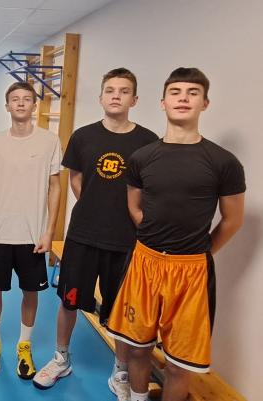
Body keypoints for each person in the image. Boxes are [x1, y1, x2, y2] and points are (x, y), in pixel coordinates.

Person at [106, 67, 245, 401]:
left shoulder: (223, 162)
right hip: (145, 264)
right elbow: (135, 207)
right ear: (163, 102)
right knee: (137, 349)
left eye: (192, 93)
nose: (183, 98)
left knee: (179, 365)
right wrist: (156, 241)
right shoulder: (142, 158)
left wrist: (198, 253)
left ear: (205, 103)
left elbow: (232, 220)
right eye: (176, 92)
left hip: (191, 272)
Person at [33, 68, 158, 400]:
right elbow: (76, 177)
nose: (116, 95)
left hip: (126, 240)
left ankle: (120, 370)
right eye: (110, 90)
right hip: (83, 234)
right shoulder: (83, 136)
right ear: (101, 97)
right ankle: (61, 358)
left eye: (124, 91)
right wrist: (93, 203)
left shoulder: (148, 142)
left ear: (134, 99)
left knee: (121, 310)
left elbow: (150, 188)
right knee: (69, 301)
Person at [0, 82, 62, 379]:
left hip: (32, 235)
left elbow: (55, 187)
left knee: (31, 292)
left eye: (27, 99)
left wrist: (49, 231)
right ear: (7, 106)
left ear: (34, 106)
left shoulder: (50, 141)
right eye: (15, 99)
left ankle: (24, 345)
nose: (21, 103)